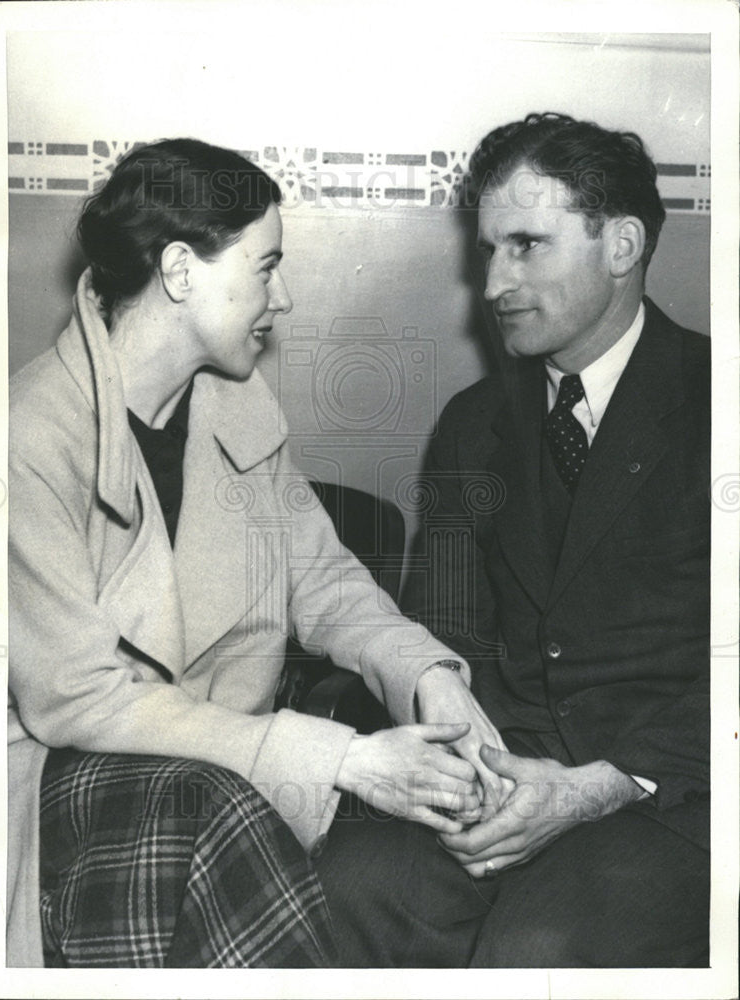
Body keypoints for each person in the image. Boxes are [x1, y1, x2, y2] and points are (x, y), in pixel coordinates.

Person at [7, 138, 507, 968]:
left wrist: (426, 676)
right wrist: (341, 758)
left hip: (215, 768)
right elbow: (80, 706)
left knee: (260, 821)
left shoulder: (233, 398)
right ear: (179, 270)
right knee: (221, 809)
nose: (286, 295)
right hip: (66, 784)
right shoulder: (27, 436)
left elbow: (321, 578)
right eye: (266, 265)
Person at [315, 112, 710, 967]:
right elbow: (443, 629)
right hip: (498, 778)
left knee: (536, 949)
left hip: (672, 793)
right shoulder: (473, 423)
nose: (494, 283)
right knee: (338, 890)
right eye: (488, 252)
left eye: (526, 245)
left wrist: (596, 786)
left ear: (621, 245)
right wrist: (478, 769)